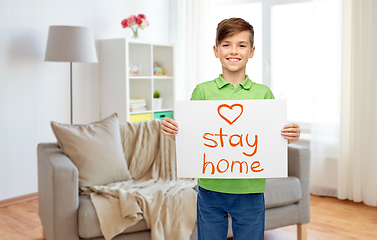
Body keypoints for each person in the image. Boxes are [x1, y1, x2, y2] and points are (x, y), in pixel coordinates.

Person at [161, 18, 301, 240]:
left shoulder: (263, 94)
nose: (233, 51)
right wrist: (173, 133)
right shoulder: (202, 92)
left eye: (241, 45)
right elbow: (191, 139)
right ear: (216, 50)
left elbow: (271, 139)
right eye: (226, 44)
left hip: (250, 190)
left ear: (252, 51)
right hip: (210, 189)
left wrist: (289, 136)